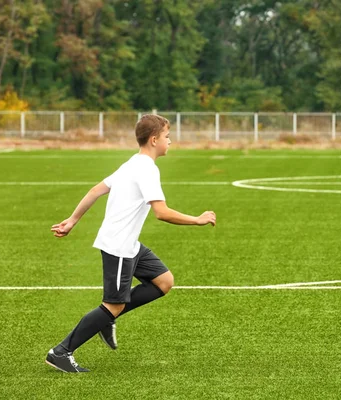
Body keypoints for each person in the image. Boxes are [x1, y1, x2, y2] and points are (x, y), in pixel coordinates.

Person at [46, 114, 216, 373]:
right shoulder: (146, 169)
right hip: (119, 247)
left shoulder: (132, 163)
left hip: (130, 245)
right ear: (154, 139)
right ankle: (61, 351)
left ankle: (107, 317)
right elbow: (161, 212)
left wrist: (72, 220)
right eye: (168, 136)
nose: (170, 141)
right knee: (112, 305)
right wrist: (197, 220)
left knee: (164, 281)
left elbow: (96, 190)